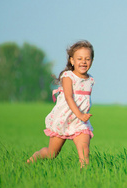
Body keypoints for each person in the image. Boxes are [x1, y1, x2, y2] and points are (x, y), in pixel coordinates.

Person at [27, 40, 95, 168]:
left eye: (87, 59)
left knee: (84, 150)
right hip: (64, 119)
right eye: (79, 58)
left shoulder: (90, 80)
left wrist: (81, 117)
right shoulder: (68, 76)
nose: (83, 62)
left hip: (80, 123)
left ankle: (85, 176)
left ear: (92, 60)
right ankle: (34, 158)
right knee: (51, 154)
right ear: (72, 61)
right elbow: (69, 98)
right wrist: (80, 114)